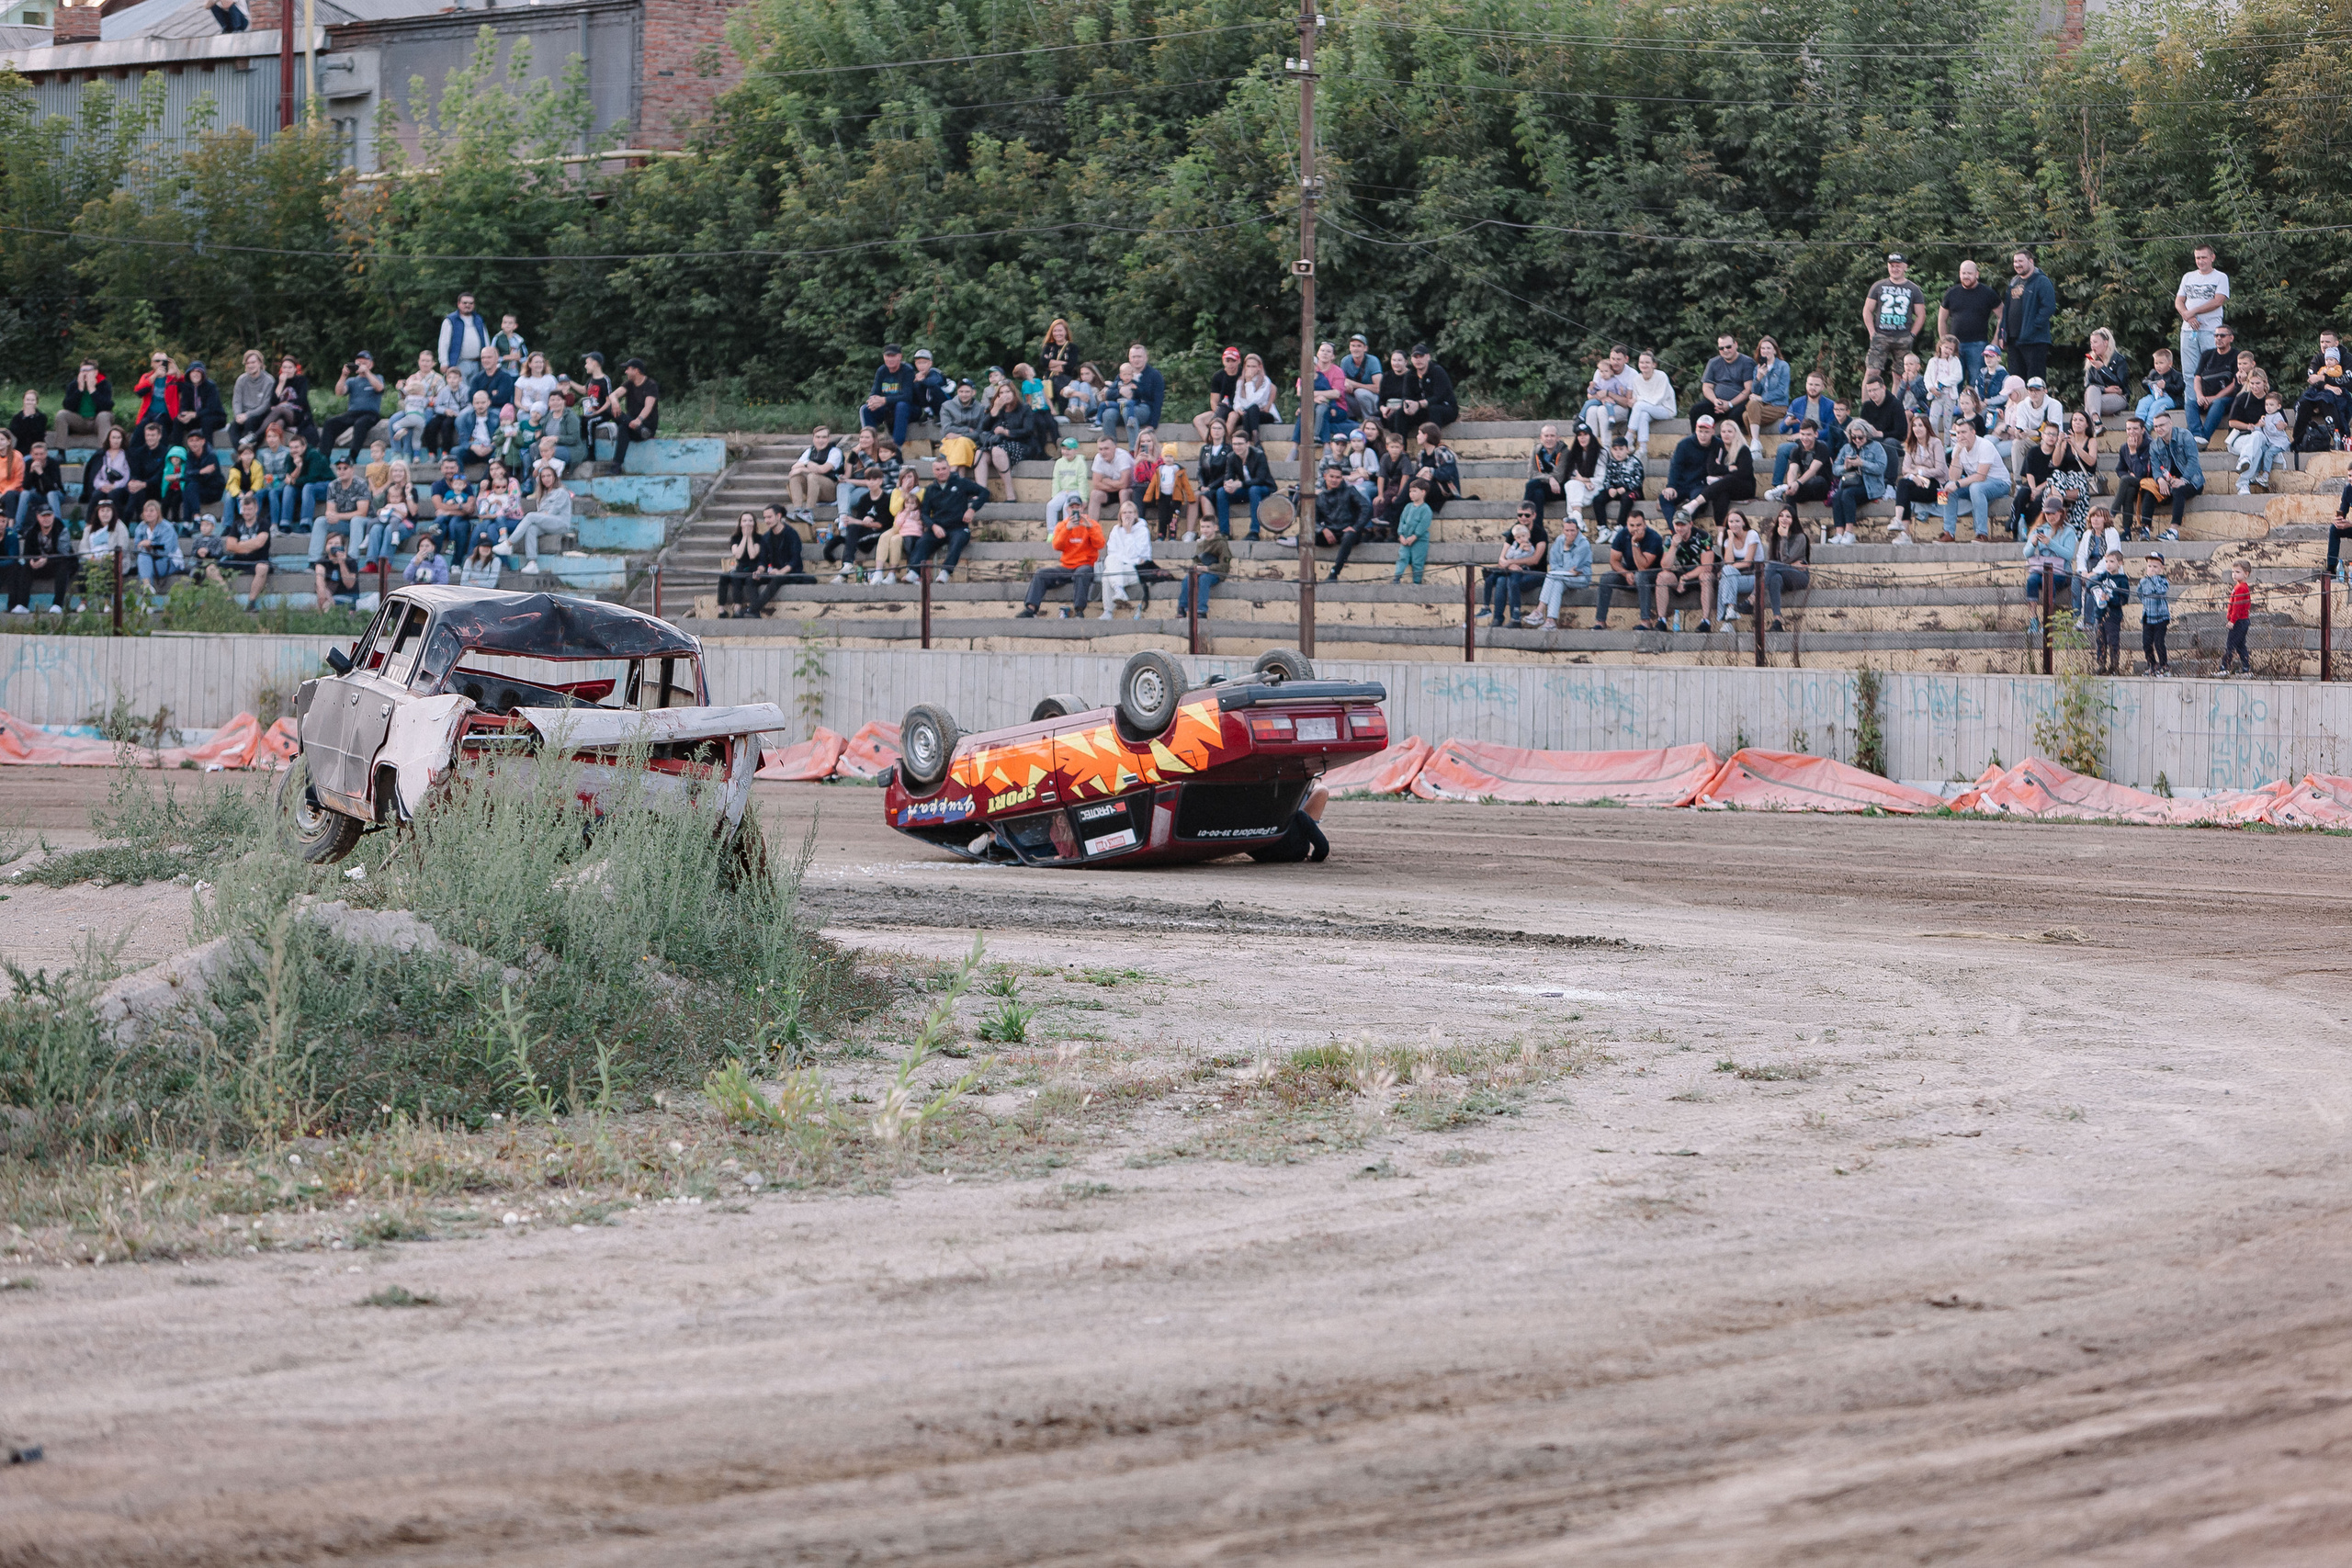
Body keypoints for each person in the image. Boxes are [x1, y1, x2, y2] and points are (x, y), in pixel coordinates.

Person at [1017, 504, 1103, 618]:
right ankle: (1031, 609)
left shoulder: (1092, 524)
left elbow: (1100, 544)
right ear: (1068, 510)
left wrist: (1089, 528)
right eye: (1072, 507)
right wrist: (1067, 529)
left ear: (1082, 508)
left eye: (1077, 507)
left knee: (1082, 573)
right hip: (1066, 566)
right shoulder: (1062, 525)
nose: (1075, 509)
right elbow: (1057, 546)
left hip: (1085, 565)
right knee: (1040, 574)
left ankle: (1079, 610)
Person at [910, 457, 987, 580]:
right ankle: (913, 572)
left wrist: (972, 509)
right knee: (922, 542)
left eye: (944, 469)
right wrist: (933, 526)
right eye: (938, 469)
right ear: (933, 471)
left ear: (949, 469)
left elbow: (984, 493)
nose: (941, 472)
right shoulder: (930, 489)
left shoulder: (961, 483)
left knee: (958, 541)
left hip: (959, 527)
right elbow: (924, 514)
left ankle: (945, 572)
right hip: (938, 527)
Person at [2134, 411, 2202, 540]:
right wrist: (2160, 479)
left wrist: (2184, 480)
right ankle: (2145, 529)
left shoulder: (2185, 436)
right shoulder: (2155, 445)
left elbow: (2193, 461)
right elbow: (2155, 466)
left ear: (2170, 423)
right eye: (2156, 427)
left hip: (2192, 481)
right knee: (2150, 491)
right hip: (2169, 481)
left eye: (2162, 425)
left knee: (2178, 491)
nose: (2159, 429)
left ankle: (2173, 531)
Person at [1591, 508, 1664, 631]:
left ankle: (1646, 622)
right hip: (1629, 572)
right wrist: (1626, 574)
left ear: (1645, 524)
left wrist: (1635, 543)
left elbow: (1643, 567)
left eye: (1639, 525)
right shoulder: (1622, 534)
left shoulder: (1654, 537)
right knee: (1606, 578)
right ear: (1627, 525)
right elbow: (1614, 561)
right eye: (1632, 525)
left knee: (1641, 576)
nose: (1635, 528)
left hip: (1652, 575)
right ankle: (1600, 621)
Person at [1940, 421, 2013, 542]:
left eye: (1963, 432)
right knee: (1947, 488)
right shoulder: (1958, 448)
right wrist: (1957, 454)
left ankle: (1982, 534)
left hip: (2000, 483)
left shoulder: (1985, 445)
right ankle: (1948, 532)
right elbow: (1953, 478)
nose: (1960, 436)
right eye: (1958, 433)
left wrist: (1957, 484)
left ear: (1973, 432)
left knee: (1976, 487)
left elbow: (1980, 476)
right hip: (1976, 483)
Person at [1862, 253, 1926, 384]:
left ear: (1905, 267)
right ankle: (1866, 404)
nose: (1895, 268)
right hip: (1881, 335)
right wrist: (1872, 332)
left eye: (1898, 266)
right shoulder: (1878, 286)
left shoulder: (1914, 289)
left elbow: (1921, 315)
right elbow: (1867, 310)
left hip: (1903, 336)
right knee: (1871, 373)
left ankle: (1897, 404)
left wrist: (1912, 335)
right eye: (1892, 265)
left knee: (1900, 375)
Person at [1939, 258, 2001, 391]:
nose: (1966, 276)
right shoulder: (1951, 293)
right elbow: (1941, 319)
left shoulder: (1988, 293)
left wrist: (1995, 341)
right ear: (1959, 274)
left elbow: (2002, 315)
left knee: (1976, 381)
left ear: (1977, 274)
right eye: (1963, 273)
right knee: (1953, 381)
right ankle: (1955, 410)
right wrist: (1944, 343)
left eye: (1969, 273)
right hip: (1954, 346)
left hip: (1978, 346)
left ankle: (1974, 410)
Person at [1996, 249, 2056, 383]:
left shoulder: (2041, 281)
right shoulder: (2014, 282)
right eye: (2015, 262)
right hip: (2013, 340)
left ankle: (2037, 404)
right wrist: (2002, 334)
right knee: (2016, 382)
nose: (2017, 264)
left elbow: (2049, 307)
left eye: (2020, 261)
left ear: (2030, 261)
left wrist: (2033, 327)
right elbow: (2007, 310)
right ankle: (2020, 405)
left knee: (2035, 381)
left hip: (2034, 340)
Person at [2175, 245, 2231, 390]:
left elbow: (2218, 301)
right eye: (2197, 258)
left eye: (2203, 257)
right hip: (2188, 331)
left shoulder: (2220, 277)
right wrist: (2187, 317)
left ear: (2212, 258)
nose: (2200, 261)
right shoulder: (2188, 276)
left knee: (2211, 369)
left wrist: (2193, 311)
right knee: (2189, 372)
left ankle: (2210, 402)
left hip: (2211, 331)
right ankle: (2192, 405)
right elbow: (2179, 301)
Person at [1652, 511, 1716, 632]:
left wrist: (1685, 577)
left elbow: (1707, 566)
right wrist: (1673, 547)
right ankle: (1661, 620)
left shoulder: (1703, 537)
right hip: (1682, 571)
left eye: (1683, 525)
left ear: (1690, 524)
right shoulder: (1670, 539)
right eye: (1677, 525)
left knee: (1706, 576)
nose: (1680, 528)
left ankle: (1706, 621)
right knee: (1662, 576)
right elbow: (1665, 566)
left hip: (1699, 572)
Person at [499, 465, 572, 572]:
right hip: (547, 522)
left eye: (549, 476)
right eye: (543, 477)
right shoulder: (543, 494)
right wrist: (542, 514)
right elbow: (543, 513)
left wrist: (542, 514)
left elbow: (551, 513)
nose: (546, 479)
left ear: (554, 477)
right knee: (531, 528)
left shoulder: (561, 492)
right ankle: (532, 562)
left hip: (560, 522)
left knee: (530, 516)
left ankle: (508, 543)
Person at [6, 502, 75, 614]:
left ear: (53, 516)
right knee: (24, 567)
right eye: (43, 516)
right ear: (38, 516)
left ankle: (58, 604)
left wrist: (47, 560)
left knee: (63, 566)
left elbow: (64, 554)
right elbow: (27, 554)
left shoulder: (61, 530)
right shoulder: (32, 532)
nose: (46, 519)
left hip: (58, 563)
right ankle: (22, 604)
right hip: (40, 565)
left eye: (49, 515)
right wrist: (32, 562)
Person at [1205, 430, 1275, 539]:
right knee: (1221, 492)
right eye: (1234, 444)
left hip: (1263, 488)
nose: (1237, 447)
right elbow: (1229, 475)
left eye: (1240, 444)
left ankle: (1254, 532)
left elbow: (1260, 479)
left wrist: (1240, 484)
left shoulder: (1259, 455)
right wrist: (1229, 484)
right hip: (1246, 490)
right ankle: (1224, 533)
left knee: (1254, 489)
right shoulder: (1231, 457)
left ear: (1247, 444)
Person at [1529, 513, 1592, 630]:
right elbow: (1554, 564)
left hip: (1581, 578)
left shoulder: (1584, 543)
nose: (1570, 534)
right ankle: (1551, 620)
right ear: (1563, 530)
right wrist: (1562, 571)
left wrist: (1567, 548)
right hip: (1561, 577)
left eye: (1573, 530)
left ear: (1578, 530)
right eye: (1567, 530)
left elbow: (1573, 567)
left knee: (1552, 576)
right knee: (1556, 583)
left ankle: (1539, 611)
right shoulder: (1559, 540)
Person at [1479, 517, 1543, 628]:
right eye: (1518, 537)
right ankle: (1495, 616)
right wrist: (1511, 563)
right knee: (1498, 580)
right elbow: (1505, 557)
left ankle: (1515, 617)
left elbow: (1528, 558)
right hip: (1511, 570)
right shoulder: (1514, 544)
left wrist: (1512, 562)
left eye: (1523, 536)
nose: (1521, 539)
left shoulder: (1529, 546)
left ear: (1528, 536)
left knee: (1511, 581)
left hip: (1526, 572)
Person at [2020, 503, 2076, 628]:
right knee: (2032, 580)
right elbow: (2026, 553)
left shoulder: (2068, 530)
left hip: (2062, 572)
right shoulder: (2039, 528)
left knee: (2048, 580)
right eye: (2047, 513)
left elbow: (2068, 554)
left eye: (2053, 513)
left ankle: (2048, 621)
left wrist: (2050, 543)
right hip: (2041, 569)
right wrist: (2033, 544)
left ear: (2061, 512)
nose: (2050, 517)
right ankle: (2033, 619)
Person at [1830, 420, 1887, 542]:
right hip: (1850, 483)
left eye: (1860, 437)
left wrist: (1862, 463)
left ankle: (1849, 532)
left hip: (1870, 486)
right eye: (1854, 437)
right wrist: (1845, 467)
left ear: (1867, 435)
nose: (1857, 440)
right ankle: (1839, 533)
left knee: (1847, 495)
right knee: (1836, 497)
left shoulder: (1876, 447)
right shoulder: (1846, 448)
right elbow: (1835, 469)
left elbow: (1881, 467)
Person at [2188, 322, 2242, 448]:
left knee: (2218, 403)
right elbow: (2197, 378)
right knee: (2190, 403)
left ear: (2231, 338)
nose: (2218, 338)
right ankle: (2197, 435)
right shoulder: (2207, 355)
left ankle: (2203, 439)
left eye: (2222, 336)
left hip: (2227, 400)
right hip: (2206, 398)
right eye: (2216, 335)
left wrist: (2214, 398)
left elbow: (2235, 383)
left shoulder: (2236, 356)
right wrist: (2200, 396)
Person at [1098, 499, 1153, 618]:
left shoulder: (1143, 530)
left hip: (1138, 570)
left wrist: (1128, 533)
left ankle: (1109, 610)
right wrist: (1129, 559)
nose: (1127, 515)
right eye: (1124, 512)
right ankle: (1118, 591)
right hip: (1120, 568)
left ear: (1135, 514)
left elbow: (1137, 555)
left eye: (1130, 512)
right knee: (1109, 563)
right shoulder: (1115, 530)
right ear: (1120, 515)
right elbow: (1112, 553)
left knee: (1108, 573)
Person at [1893, 413, 1947, 536]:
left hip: (1938, 487)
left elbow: (1941, 470)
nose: (1917, 429)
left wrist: (1919, 471)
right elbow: (1905, 469)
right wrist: (1914, 477)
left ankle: (1899, 524)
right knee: (1903, 486)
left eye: (1920, 425)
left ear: (1927, 427)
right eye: (1914, 426)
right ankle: (1903, 531)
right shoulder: (1911, 444)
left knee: (1903, 487)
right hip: (1920, 483)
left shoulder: (1936, 443)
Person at [1386, 343, 1457, 436]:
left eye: (1421, 356)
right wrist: (1407, 406)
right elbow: (1406, 395)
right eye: (1415, 357)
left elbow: (1439, 396)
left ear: (1428, 357)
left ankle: (1433, 445)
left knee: (1434, 410)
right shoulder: (1410, 375)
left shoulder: (1437, 371)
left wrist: (1419, 404)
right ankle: (1400, 447)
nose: (1418, 360)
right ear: (1411, 359)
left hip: (1445, 408)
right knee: (1399, 414)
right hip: (1422, 411)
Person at [321, 352, 383, 455]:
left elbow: (379, 387)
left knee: (360, 424)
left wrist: (367, 372)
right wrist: (343, 375)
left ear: (371, 365)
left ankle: (352, 456)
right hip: (353, 413)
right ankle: (324, 457)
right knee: (329, 423)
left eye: (364, 363)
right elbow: (339, 393)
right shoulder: (352, 381)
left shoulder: (377, 377)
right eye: (358, 363)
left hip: (370, 414)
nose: (361, 365)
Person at [1696, 332, 1757, 438]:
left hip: (1738, 403)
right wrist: (1715, 401)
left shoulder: (1747, 362)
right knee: (1697, 410)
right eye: (1721, 348)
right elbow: (1707, 387)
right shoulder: (1713, 363)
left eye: (1728, 347)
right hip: (1717, 404)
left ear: (1736, 345)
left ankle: (1720, 443)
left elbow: (1748, 390)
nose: (1725, 350)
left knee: (1736, 416)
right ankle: (1697, 441)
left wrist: (1729, 404)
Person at [1758, 505, 1810, 630]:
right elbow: (1777, 561)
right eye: (1781, 516)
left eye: (1788, 516)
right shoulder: (1774, 536)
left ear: (1794, 520)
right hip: (1782, 573)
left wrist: (1784, 537)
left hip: (1799, 576)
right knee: (1775, 578)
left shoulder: (1800, 537)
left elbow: (1784, 560)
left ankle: (1753, 598)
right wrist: (1790, 565)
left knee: (1773, 565)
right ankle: (1777, 620)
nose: (1784, 519)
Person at [314, 452, 371, 565]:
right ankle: (314, 561)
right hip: (343, 523)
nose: (341, 471)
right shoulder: (333, 485)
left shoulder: (361, 484)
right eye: (339, 468)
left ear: (352, 469)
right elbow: (330, 509)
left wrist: (338, 516)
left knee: (356, 520)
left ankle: (352, 560)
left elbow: (362, 512)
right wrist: (330, 516)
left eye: (345, 468)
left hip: (364, 524)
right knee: (320, 522)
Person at [1579, 344, 1636, 449]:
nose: (1615, 362)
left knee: (1602, 410)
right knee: (1591, 410)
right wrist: (1602, 398)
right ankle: (1591, 445)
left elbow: (1627, 402)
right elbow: (1589, 396)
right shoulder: (1602, 369)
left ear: (1626, 359)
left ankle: (1606, 446)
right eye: (1613, 359)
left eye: (1618, 359)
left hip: (1622, 409)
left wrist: (1608, 394)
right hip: (1602, 403)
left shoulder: (1632, 374)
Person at [1657, 414, 1713, 522]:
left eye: (1706, 432)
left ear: (1712, 432)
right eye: (1700, 431)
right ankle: (1675, 529)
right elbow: (1675, 466)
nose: (1703, 435)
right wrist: (1671, 486)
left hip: (1700, 485)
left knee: (1696, 500)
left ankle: (1686, 529)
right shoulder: (1684, 444)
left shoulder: (1717, 444)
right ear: (1695, 430)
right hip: (1682, 485)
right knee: (1664, 498)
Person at [1622, 349, 1677, 456]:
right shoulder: (1636, 379)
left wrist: (1638, 400)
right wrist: (1637, 400)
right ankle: (1643, 447)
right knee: (1643, 414)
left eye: (1647, 362)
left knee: (1639, 405)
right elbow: (1635, 399)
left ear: (1654, 365)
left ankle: (1629, 436)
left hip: (1665, 409)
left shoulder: (1662, 376)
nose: (1644, 365)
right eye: (1641, 362)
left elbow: (1658, 399)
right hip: (1647, 409)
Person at [786, 425, 843, 525]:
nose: (821, 440)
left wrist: (803, 468)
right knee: (795, 477)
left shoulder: (835, 452)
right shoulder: (809, 451)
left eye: (824, 437)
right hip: (813, 488)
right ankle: (798, 510)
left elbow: (822, 469)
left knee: (812, 476)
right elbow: (794, 468)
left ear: (828, 439)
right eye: (818, 437)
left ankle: (808, 512)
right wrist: (806, 464)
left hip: (830, 490)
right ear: (813, 438)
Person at [220, 494, 272, 605]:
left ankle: (251, 602)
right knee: (211, 568)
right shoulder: (237, 524)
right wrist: (249, 547)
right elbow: (229, 546)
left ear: (256, 509)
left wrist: (239, 545)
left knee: (263, 568)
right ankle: (228, 599)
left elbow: (259, 543)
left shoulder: (263, 523)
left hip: (258, 560)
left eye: (250, 509)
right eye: (244, 509)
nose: (247, 512)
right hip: (238, 560)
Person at [1765, 421, 1833, 504]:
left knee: (1818, 480)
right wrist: (1791, 485)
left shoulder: (1822, 448)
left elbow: (1813, 470)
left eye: (1808, 435)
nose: (1805, 438)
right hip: (1804, 487)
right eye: (1802, 434)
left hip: (1822, 488)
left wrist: (1797, 483)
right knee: (1790, 494)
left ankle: (1783, 488)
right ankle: (1791, 513)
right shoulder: (1796, 450)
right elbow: (1792, 470)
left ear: (1816, 434)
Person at [2086, 547, 2131, 673]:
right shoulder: (2103, 576)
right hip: (2100, 614)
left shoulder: (2122, 579)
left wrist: (2110, 598)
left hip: (2113, 615)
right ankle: (2101, 665)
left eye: (2111, 562)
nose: (2108, 565)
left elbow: (2124, 599)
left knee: (2113, 641)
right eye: (2106, 562)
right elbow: (2090, 586)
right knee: (2100, 641)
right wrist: (2096, 590)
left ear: (2120, 563)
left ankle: (2114, 666)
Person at [53, 360, 113, 454]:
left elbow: (107, 406)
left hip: (96, 421)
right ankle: (61, 452)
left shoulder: (104, 384)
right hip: (80, 420)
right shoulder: (74, 385)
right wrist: (80, 390)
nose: (85, 373)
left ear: (95, 372)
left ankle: (103, 452)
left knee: (104, 416)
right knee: (61, 414)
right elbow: (67, 406)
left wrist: (92, 390)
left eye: (88, 370)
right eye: (82, 371)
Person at [608, 359, 659, 468]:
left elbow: (648, 406)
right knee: (609, 408)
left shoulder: (651, 385)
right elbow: (613, 395)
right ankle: (616, 466)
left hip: (646, 426)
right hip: (633, 426)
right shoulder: (629, 384)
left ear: (636, 370)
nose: (625, 372)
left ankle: (616, 466)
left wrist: (639, 420)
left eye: (628, 369)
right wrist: (615, 402)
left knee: (623, 428)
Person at [1715, 509, 1763, 626]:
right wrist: (1731, 539)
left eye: (1737, 521)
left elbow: (1747, 562)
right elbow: (1729, 561)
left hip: (1756, 578)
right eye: (1731, 522)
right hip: (1738, 578)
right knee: (1725, 579)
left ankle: (1724, 622)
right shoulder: (1728, 540)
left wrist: (1726, 570)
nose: (1734, 524)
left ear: (1744, 523)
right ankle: (1729, 614)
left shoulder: (1752, 535)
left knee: (1726, 574)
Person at [1747, 335, 1790, 457]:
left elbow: (1782, 391)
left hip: (1779, 406)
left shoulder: (1783, 366)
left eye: (1768, 348)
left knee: (1747, 415)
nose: (1765, 351)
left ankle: (1755, 446)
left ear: (1775, 350)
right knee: (1748, 411)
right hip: (1762, 407)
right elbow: (1754, 392)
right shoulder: (1757, 368)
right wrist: (1758, 378)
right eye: (1762, 349)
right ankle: (1756, 447)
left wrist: (1762, 398)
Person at [14, 439, 68, 532]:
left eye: (41, 454)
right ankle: (17, 529)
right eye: (36, 454)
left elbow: (53, 487)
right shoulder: (28, 463)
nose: (39, 457)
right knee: (25, 494)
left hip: (56, 494)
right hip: (39, 494)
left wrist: (41, 473)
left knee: (51, 494)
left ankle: (58, 528)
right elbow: (26, 486)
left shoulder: (53, 463)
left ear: (46, 453)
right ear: (31, 454)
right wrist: (31, 472)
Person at [1596, 434, 1645, 536]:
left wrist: (1626, 488)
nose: (1618, 452)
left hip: (1631, 490)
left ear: (1627, 449)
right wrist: (1609, 488)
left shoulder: (1635, 462)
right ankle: (1602, 528)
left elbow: (1638, 481)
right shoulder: (1611, 463)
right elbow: (1607, 479)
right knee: (1598, 499)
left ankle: (1620, 526)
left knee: (1627, 498)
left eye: (1621, 449)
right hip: (1615, 490)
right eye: (1615, 449)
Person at [131, 499, 184, 591]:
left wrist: (151, 545)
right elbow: (136, 548)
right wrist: (144, 547)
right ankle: (147, 588)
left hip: (169, 561)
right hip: (148, 561)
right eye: (146, 511)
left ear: (158, 512)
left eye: (152, 510)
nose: (148, 513)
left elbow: (166, 550)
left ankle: (147, 591)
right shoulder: (141, 527)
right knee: (143, 556)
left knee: (144, 559)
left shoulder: (167, 527)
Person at [1390, 479, 1434, 586]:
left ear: (1423, 492)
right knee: (1402, 557)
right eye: (1410, 491)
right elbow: (1402, 521)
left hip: (1419, 540)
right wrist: (1401, 535)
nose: (1411, 494)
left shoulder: (1426, 509)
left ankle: (1417, 581)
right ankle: (1397, 578)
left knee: (1417, 560)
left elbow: (1423, 525)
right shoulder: (1408, 507)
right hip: (1405, 538)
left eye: (1414, 491)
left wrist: (1415, 536)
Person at [1336, 334, 1384, 426]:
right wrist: (1345, 384)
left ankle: (1371, 422)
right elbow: (1342, 381)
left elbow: (1378, 388)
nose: (1355, 349)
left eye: (1359, 346)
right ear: (1349, 347)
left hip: (1373, 401)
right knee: (1341, 392)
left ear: (1365, 348)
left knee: (1360, 392)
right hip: (1356, 401)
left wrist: (1354, 385)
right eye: (1353, 346)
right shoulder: (1345, 361)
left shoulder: (1373, 361)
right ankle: (1351, 422)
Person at [438, 292, 490, 374]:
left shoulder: (479, 319)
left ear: (474, 305)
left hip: (478, 364)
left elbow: (486, 341)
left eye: (471, 303)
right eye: (464, 303)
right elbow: (444, 342)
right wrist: (444, 362)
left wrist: (488, 359)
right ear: (458, 304)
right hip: (458, 364)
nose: (467, 305)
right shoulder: (451, 320)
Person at [2136, 346, 2183, 427]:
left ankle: (2148, 425)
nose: (2158, 366)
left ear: (2170, 364)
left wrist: (2166, 386)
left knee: (2157, 405)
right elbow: (2144, 381)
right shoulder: (2153, 373)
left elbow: (2180, 388)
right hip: (2155, 395)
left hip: (2170, 398)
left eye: (2161, 363)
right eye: (2156, 363)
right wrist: (2151, 383)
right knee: (2143, 402)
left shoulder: (2176, 375)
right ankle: (2138, 424)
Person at [2223, 559, 2254, 675]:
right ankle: (2246, 668)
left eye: (2237, 572)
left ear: (2246, 574)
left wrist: (2232, 620)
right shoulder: (2238, 587)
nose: (2234, 574)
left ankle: (2224, 667)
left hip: (2239, 621)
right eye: (2233, 572)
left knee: (2230, 644)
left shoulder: (2241, 588)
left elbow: (2237, 606)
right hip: (2242, 621)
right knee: (2241, 646)